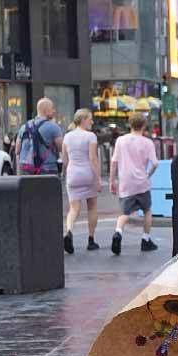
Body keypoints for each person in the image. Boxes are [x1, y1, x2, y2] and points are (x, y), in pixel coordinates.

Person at [109, 112, 161, 255]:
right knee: (147, 210)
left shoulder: (121, 140)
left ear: (130, 124)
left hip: (126, 182)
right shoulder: (148, 142)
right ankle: (145, 239)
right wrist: (148, 175)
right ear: (144, 125)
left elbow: (114, 162)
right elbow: (155, 163)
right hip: (142, 182)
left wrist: (112, 180)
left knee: (125, 212)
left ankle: (118, 232)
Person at [61, 109, 101, 254]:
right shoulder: (90, 136)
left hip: (73, 174)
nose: (92, 121)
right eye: (90, 119)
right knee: (92, 206)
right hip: (87, 173)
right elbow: (93, 158)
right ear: (83, 119)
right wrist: (97, 178)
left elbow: (65, 159)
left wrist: (68, 171)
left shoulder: (67, 137)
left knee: (74, 208)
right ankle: (91, 240)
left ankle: (69, 231)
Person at [16, 98, 64, 177]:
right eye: (52, 108)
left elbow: (17, 151)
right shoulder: (54, 127)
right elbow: (62, 148)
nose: (54, 111)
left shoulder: (24, 127)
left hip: (25, 169)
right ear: (46, 110)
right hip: (47, 169)